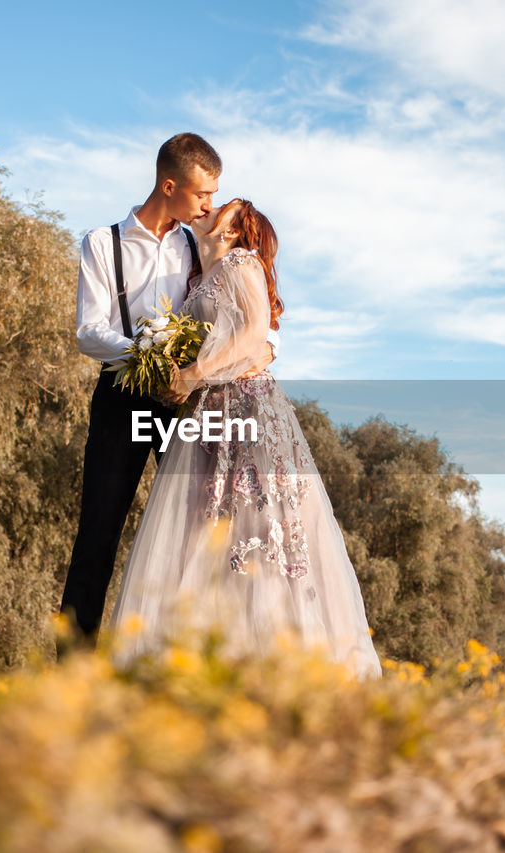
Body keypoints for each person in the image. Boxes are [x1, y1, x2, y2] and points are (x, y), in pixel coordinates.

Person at [105, 198, 384, 680]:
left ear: (236, 230)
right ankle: (210, 657)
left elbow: (256, 330)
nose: (213, 206)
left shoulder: (242, 261)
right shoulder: (196, 281)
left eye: (227, 206)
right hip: (209, 413)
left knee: (260, 518)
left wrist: (192, 373)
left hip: (247, 405)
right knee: (209, 524)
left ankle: (279, 659)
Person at [59, 133, 279, 650]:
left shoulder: (198, 243)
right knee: (99, 531)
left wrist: (262, 347)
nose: (209, 204)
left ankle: (190, 657)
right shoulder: (102, 243)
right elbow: (89, 331)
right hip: (123, 399)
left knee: (200, 532)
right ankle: (70, 666)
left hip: (188, 403)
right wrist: (150, 363)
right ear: (169, 185)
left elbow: (241, 311)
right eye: (202, 194)